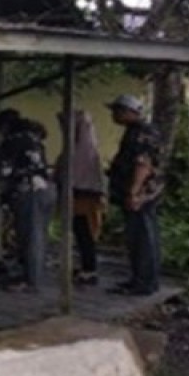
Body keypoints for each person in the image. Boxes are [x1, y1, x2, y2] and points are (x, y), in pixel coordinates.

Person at [106, 94, 164, 296]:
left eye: (118, 111)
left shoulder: (142, 133)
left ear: (130, 112)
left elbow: (143, 164)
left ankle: (144, 282)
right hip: (139, 192)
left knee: (142, 238)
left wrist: (134, 192)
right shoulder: (135, 131)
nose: (114, 115)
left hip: (141, 194)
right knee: (138, 237)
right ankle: (140, 279)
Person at [0, 116, 56, 293]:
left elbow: (4, 169)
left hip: (28, 191)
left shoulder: (13, 141)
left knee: (30, 237)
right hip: (46, 189)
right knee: (39, 234)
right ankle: (33, 274)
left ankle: (31, 280)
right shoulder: (35, 140)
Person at [55, 109, 105, 286]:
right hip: (80, 193)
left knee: (85, 232)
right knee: (80, 231)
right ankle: (86, 265)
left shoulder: (83, 150)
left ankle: (90, 269)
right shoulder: (78, 146)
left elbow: (74, 171)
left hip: (83, 194)